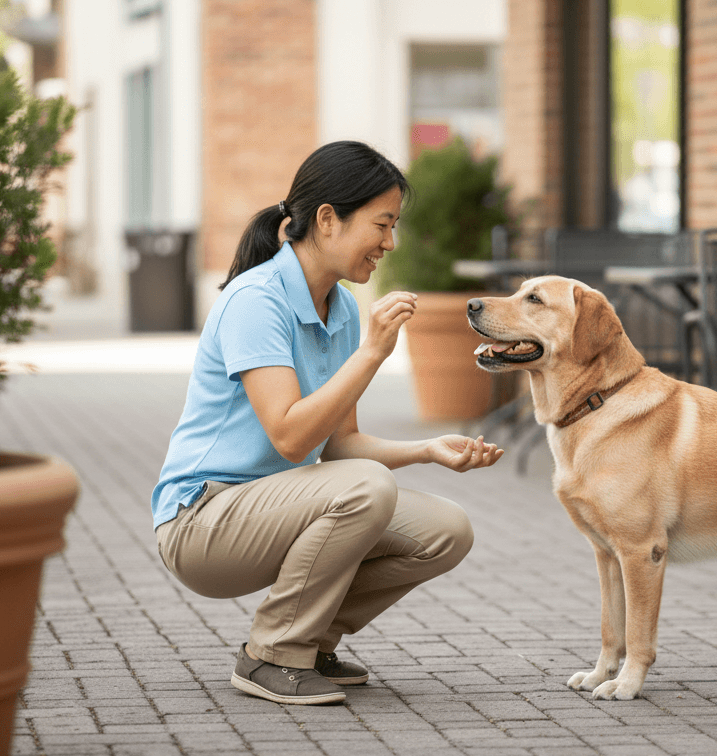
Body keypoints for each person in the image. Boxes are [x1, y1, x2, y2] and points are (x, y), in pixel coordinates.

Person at [151, 141, 503, 706]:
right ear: (326, 220)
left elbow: (340, 448)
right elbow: (291, 437)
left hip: (271, 507)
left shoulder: (338, 307)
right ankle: (271, 655)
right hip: (202, 521)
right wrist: (371, 355)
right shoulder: (256, 301)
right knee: (367, 487)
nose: (389, 243)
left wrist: (428, 449)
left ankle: (310, 645)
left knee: (445, 529)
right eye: (382, 224)